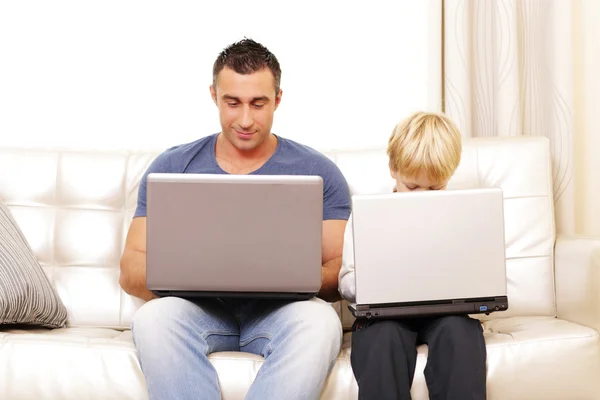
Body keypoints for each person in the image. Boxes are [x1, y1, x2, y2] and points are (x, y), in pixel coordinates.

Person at [119, 38, 351, 400]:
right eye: (233, 103)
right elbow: (130, 269)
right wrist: (194, 276)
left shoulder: (318, 171)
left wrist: (283, 277)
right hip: (198, 311)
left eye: (258, 104)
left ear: (277, 99)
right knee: (153, 320)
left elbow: (339, 268)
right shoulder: (173, 167)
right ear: (214, 95)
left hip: (282, 312)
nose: (245, 119)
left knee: (321, 323)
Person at [338, 111, 487, 400]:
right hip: (384, 316)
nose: (422, 196)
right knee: (382, 341)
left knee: (459, 336)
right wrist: (379, 281)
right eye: (412, 186)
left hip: (448, 312)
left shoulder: (465, 213)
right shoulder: (368, 214)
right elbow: (346, 282)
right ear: (393, 169)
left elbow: (484, 270)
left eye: (435, 188)